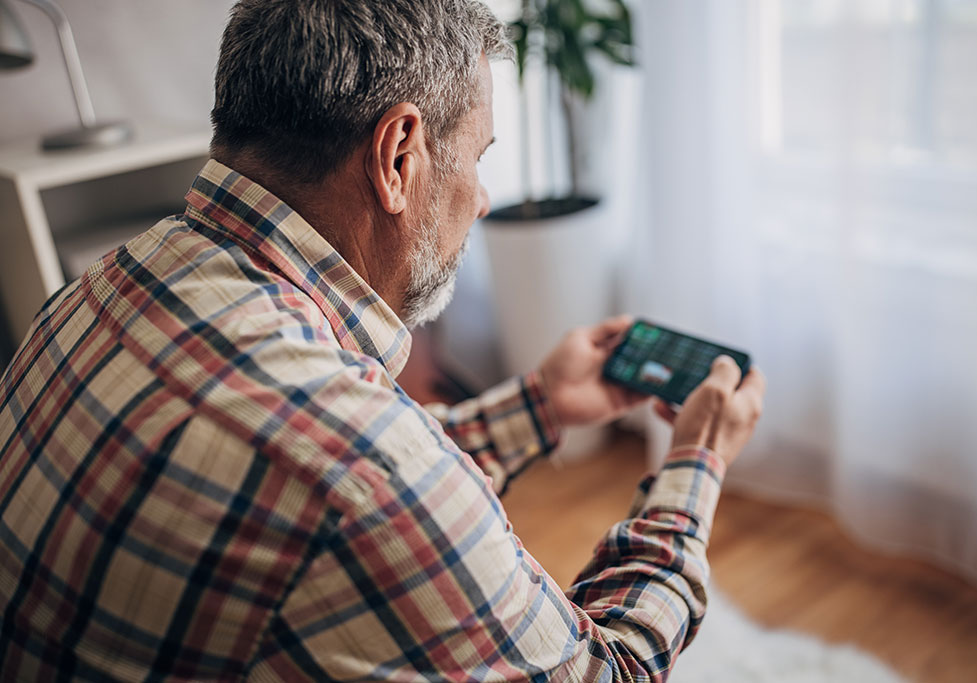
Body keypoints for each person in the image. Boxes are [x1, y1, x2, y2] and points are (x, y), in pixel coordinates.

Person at [0, 0, 765, 680]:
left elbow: (316, 491)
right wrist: (695, 462)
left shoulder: (91, 293)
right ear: (399, 155)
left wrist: (542, 404)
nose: (483, 196)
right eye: (478, 156)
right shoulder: (365, 467)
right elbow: (606, 670)